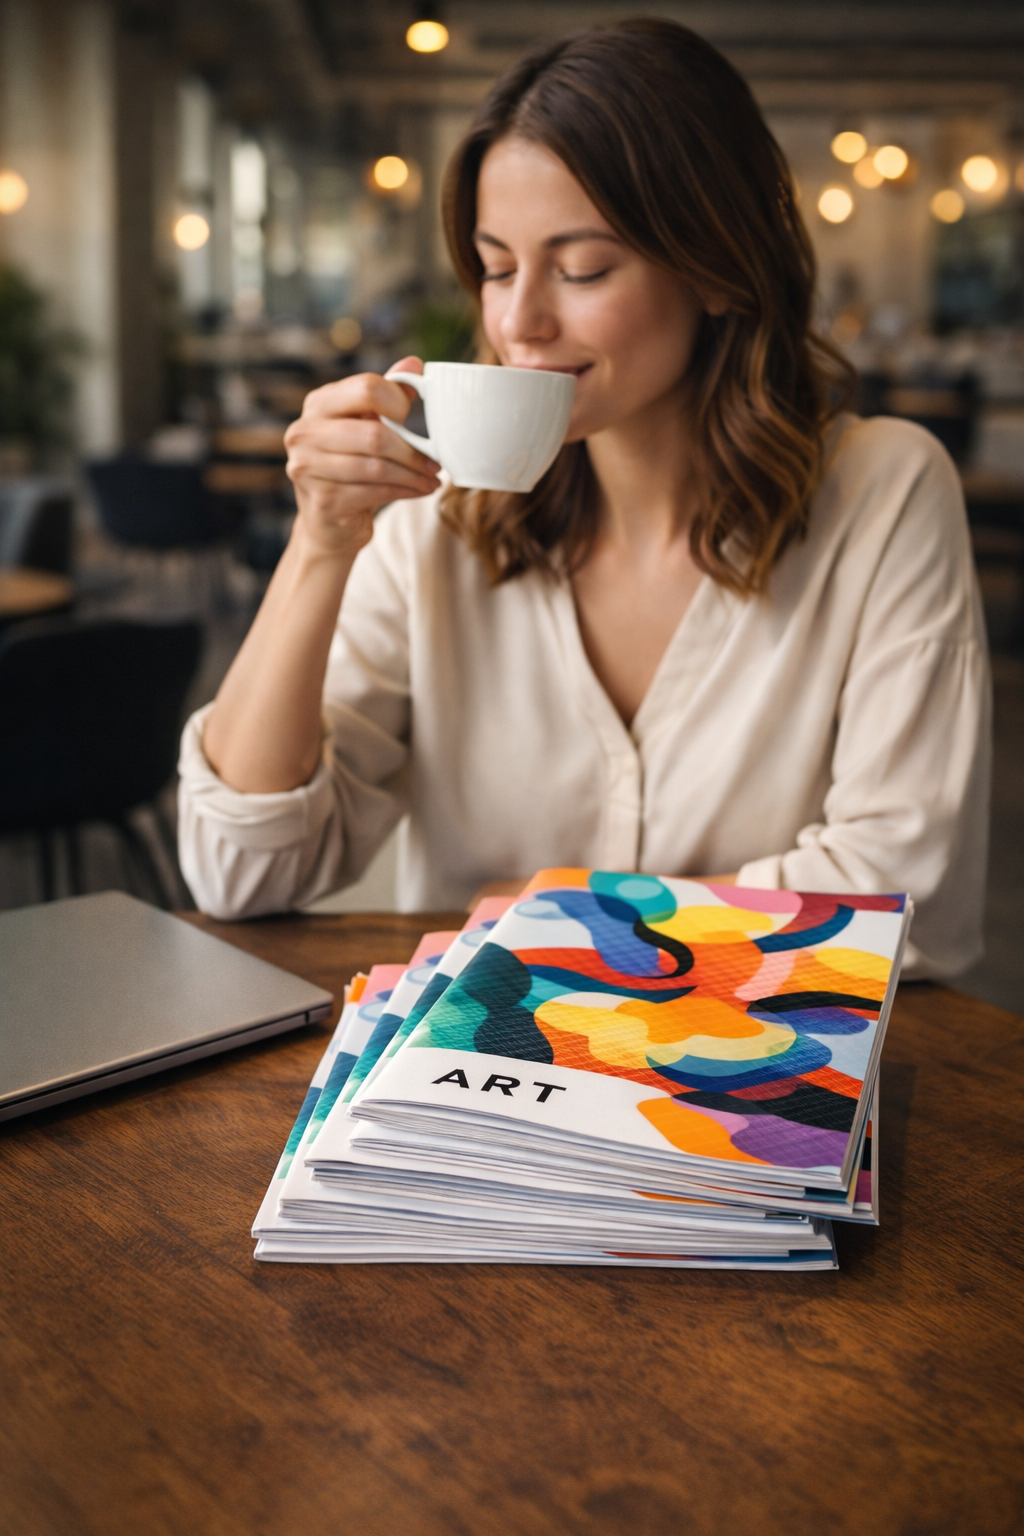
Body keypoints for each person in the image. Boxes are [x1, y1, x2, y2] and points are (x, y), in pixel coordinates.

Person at [178, 19, 990, 979]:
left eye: (582, 268)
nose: (519, 320)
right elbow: (240, 873)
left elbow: (905, 897)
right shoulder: (432, 529)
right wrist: (319, 545)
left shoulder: (886, 493)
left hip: (744, 1090)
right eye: (495, 266)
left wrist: (526, 931)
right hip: (470, 1102)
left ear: (718, 268)